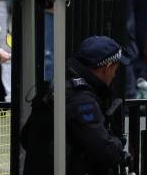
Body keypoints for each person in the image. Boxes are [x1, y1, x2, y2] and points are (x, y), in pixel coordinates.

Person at [22, 36, 129, 175]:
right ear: (107, 68)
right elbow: (104, 151)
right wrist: (118, 143)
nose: (115, 75)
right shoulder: (80, 98)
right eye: (115, 69)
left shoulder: (58, 84)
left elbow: (25, 137)